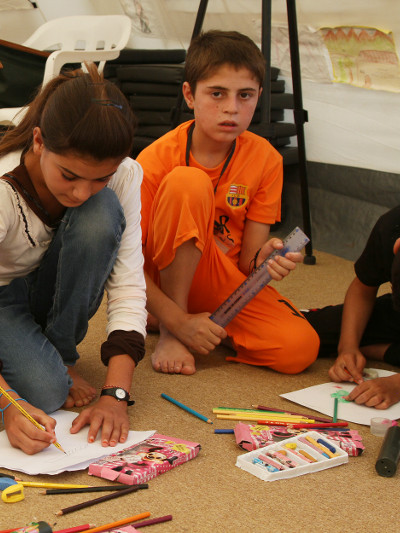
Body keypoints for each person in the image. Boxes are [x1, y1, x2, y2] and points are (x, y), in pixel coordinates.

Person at [0, 65, 147, 455]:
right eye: (69, 174)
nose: (83, 191)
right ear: (38, 141)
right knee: (45, 392)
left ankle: (60, 352)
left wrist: (116, 394)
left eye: (100, 177)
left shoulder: (126, 176)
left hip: (57, 283)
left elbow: (127, 286)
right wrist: (8, 405)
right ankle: (52, 362)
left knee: (101, 213)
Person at [135, 30, 319, 376]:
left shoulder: (266, 159)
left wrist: (264, 259)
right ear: (189, 94)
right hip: (161, 278)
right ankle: (174, 326)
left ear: (259, 97)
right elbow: (125, 264)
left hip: (220, 278)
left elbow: (247, 262)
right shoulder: (155, 159)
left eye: (245, 95)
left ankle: (196, 324)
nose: (231, 108)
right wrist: (177, 319)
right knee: (188, 182)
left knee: (300, 348)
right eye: (217, 94)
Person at [305, 206, 400, 409]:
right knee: (310, 332)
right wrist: (347, 347)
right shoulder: (391, 226)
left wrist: (396, 385)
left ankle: (384, 351)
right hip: (396, 316)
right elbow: (363, 288)